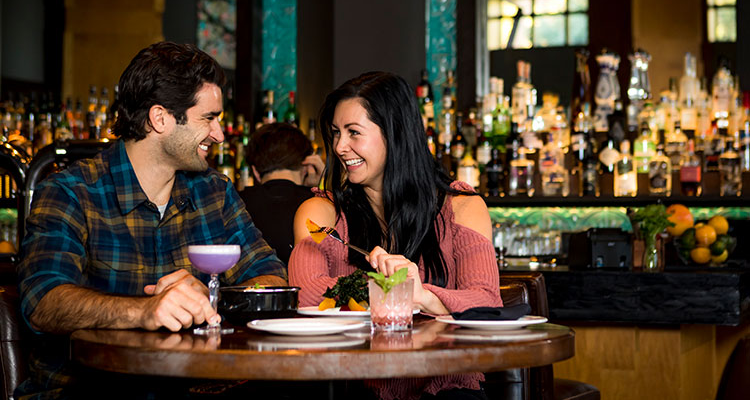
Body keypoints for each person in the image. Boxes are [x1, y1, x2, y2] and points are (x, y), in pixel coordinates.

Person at [17, 42, 287, 398]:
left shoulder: (214, 192)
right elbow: (44, 302)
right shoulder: (72, 192)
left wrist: (208, 300)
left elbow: (271, 276)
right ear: (160, 118)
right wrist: (145, 311)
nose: (220, 134)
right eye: (209, 118)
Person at [289, 71, 501, 400]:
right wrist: (382, 288)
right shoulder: (321, 213)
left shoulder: (462, 208)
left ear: (395, 133)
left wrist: (422, 296)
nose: (340, 147)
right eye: (335, 133)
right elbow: (305, 295)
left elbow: (488, 301)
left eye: (353, 133)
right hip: (354, 385)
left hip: (445, 385)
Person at [240, 122, 324, 264]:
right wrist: (322, 187)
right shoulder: (320, 205)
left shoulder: (235, 202)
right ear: (306, 166)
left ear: (255, 171)